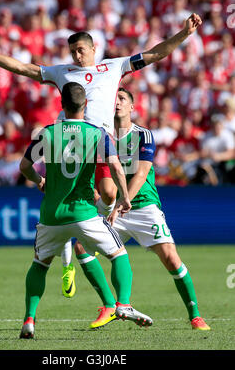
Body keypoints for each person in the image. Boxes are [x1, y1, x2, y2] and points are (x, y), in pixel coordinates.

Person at [0, 12, 202, 299]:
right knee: (71, 203)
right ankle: (70, 261)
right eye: (73, 51)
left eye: (81, 50)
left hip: (100, 144)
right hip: (70, 145)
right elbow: (22, 68)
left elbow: (155, 53)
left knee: (108, 194)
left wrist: (184, 34)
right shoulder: (60, 71)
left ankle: (81, 250)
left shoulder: (114, 67)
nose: (77, 56)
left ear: (93, 49)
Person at [18, 82, 153, 339]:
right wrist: (125, 196)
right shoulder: (97, 132)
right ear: (86, 105)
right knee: (118, 254)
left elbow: (24, 166)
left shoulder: (46, 133)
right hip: (83, 213)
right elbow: (114, 166)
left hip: (52, 215)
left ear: (61, 106)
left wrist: (40, 181)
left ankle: (29, 319)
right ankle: (122, 303)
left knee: (40, 264)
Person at [78, 87, 210, 331]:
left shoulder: (143, 135)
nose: (117, 102)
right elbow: (93, 174)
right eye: (114, 99)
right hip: (113, 209)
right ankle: (110, 305)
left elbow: (141, 173)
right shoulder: (99, 137)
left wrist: (122, 201)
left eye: (122, 99)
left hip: (143, 206)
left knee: (171, 258)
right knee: (82, 248)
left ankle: (195, 315)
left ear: (132, 107)